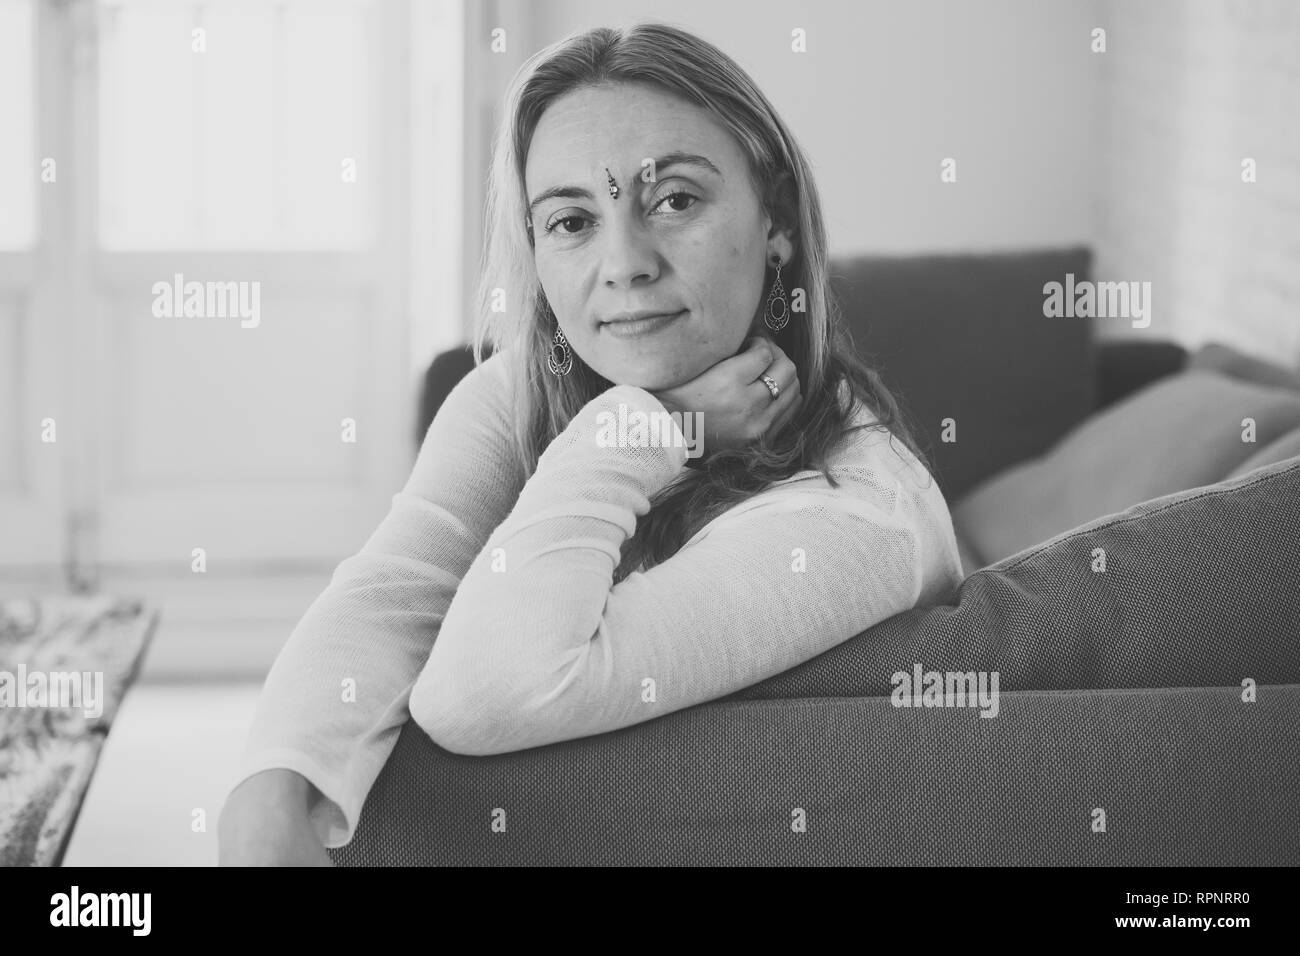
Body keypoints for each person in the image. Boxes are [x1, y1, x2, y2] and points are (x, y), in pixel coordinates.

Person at [218, 20, 965, 866]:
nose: (625, 263)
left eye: (675, 200)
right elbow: (398, 589)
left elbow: (485, 689)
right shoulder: (514, 397)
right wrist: (264, 809)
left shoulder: (857, 520)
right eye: (572, 220)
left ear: (777, 221)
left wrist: (656, 424)